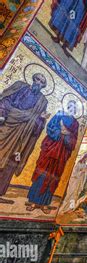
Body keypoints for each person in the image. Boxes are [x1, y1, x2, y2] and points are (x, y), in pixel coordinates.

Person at [0, 74, 49, 204]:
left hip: (22, 135)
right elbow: (5, 99)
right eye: (37, 79)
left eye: (41, 82)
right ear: (33, 79)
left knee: (12, 161)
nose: (38, 82)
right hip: (8, 126)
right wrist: (2, 114)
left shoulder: (42, 101)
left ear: (43, 86)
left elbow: (38, 123)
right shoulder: (20, 86)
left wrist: (41, 119)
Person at [26, 100, 79, 214]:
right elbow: (50, 127)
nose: (71, 109)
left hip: (62, 153)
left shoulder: (75, 124)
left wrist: (67, 137)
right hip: (51, 148)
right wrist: (60, 133)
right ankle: (34, 202)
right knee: (42, 173)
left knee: (54, 177)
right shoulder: (59, 114)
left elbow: (74, 140)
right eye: (70, 106)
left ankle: (45, 204)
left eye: (74, 108)